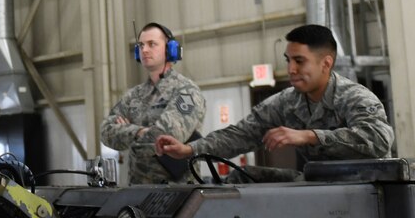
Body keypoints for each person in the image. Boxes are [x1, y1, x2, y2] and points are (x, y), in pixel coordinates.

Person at [154, 24, 392, 168]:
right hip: (320, 189)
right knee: (241, 179)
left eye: (300, 61)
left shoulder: (355, 97)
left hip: (365, 193)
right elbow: (240, 135)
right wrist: (190, 150)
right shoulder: (287, 102)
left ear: (326, 63)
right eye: (289, 61)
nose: (291, 69)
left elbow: (379, 140)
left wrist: (310, 136)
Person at [99, 23, 205, 185]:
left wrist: (127, 131)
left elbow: (168, 137)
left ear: (169, 50)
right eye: (141, 45)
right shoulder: (133, 96)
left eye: (152, 44)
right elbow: (106, 132)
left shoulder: (187, 91)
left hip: (179, 193)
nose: (145, 50)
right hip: (138, 192)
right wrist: (140, 131)